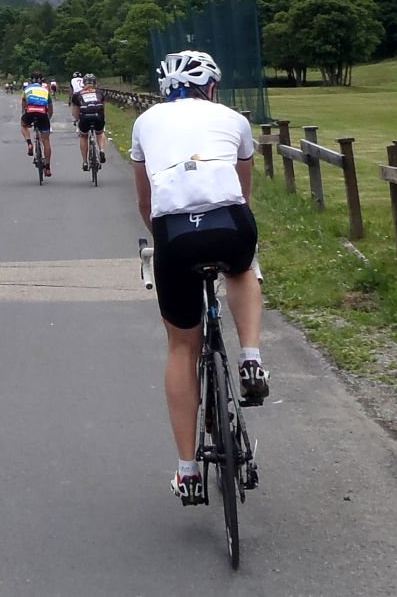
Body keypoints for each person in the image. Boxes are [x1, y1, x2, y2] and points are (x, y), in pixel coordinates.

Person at [130, 49, 269, 506]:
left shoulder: (144, 122)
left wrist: (171, 244)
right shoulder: (234, 119)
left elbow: (145, 203)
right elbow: (243, 194)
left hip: (173, 232)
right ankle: (251, 359)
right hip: (230, 224)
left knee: (181, 348)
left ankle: (188, 471)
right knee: (243, 267)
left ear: (165, 90)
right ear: (210, 87)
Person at [20, 77, 53, 175]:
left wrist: (24, 114)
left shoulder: (27, 89)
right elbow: (50, 108)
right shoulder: (45, 90)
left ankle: (29, 143)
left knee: (23, 125)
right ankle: (48, 167)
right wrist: (48, 118)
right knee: (46, 141)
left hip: (30, 112)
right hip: (42, 114)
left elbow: (23, 103)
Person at [75, 76, 106, 168]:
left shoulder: (77, 94)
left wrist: (77, 120)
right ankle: (101, 150)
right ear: (95, 83)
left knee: (83, 136)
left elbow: (76, 111)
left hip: (85, 117)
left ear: (83, 83)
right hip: (98, 116)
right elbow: (103, 108)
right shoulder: (100, 92)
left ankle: (85, 162)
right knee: (100, 133)